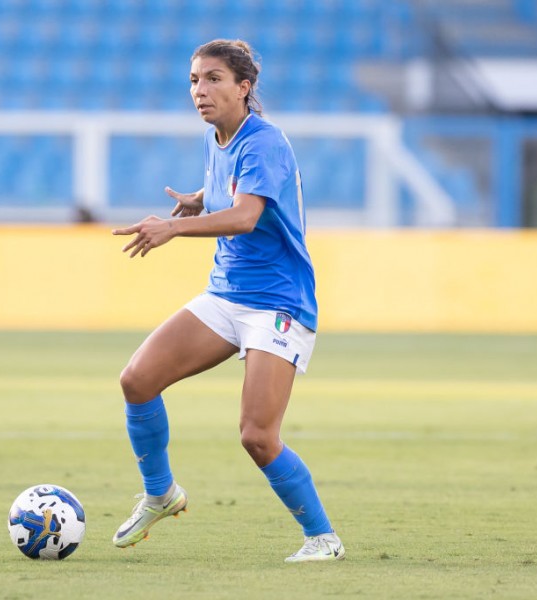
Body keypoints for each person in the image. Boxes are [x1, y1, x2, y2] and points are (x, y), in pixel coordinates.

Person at [109, 39, 345, 562]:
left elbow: (245, 216)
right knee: (137, 380)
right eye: (194, 80)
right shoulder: (221, 137)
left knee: (257, 436)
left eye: (213, 79)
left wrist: (172, 226)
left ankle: (323, 539)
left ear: (245, 87)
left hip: (278, 303)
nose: (200, 90)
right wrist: (197, 199)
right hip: (227, 295)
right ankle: (161, 494)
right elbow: (229, 194)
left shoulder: (264, 141)